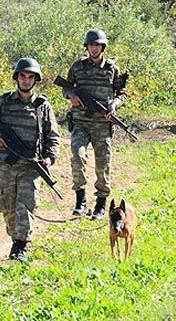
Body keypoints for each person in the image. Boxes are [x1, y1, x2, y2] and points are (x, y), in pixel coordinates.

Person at [0, 58, 60, 262]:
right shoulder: (4, 102)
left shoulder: (42, 106)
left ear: (35, 80)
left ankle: (20, 246)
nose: (26, 81)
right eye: (22, 76)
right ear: (17, 78)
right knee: (6, 205)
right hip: (6, 163)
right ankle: (15, 234)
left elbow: (53, 136)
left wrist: (49, 159)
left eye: (30, 77)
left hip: (30, 166)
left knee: (26, 205)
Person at [62, 29, 127, 221]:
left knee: (102, 165)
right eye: (91, 45)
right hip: (80, 122)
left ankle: (100, 205)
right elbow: (66, 86)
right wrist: (71, 95)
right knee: (78, 156)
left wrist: (114, 104)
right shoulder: (77, 67)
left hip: (102, 124)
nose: (94, 48)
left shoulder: (112, 69)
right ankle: (80, 200)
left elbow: (122, 93)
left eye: (97, 45)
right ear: (87, 46)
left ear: (103, 47)